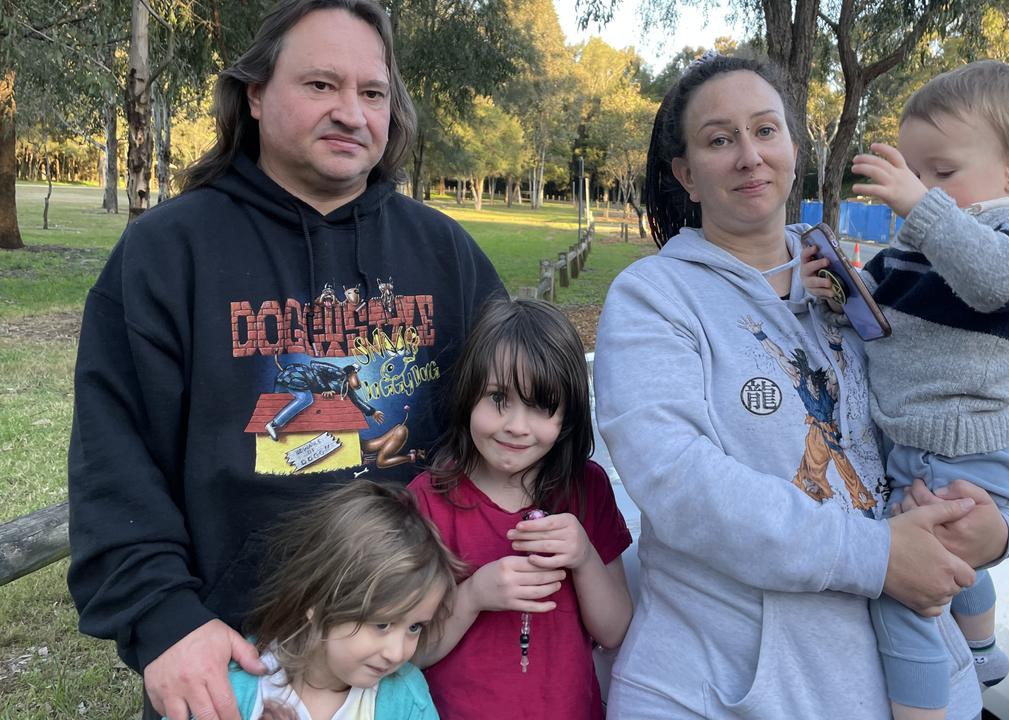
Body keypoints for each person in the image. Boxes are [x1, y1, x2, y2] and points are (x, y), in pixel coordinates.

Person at [66, 2, 504, 719]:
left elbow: (516, 430)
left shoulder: (446, 256)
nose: (350, 112)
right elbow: (112, 463)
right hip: (232, 664)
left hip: (415, 660)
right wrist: (162, 619)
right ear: (257, 94)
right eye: (321, 85)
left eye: (372, 93)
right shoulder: (167, 254)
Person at [592, 52, 1009, 719]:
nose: (748, 155)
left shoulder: (857, 282)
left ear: (794, 147)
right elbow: (680, 483)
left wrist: (1001, 526)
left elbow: (968, 405)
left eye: (766, 130)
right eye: (719, 139)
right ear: (687, 175)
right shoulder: (655, 298)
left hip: (913, 686)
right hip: (727, 692)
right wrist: (877, 555)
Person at [802, 59, 1009, 720]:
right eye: (916, 174)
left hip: (973, 451)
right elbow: (878, 330)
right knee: (952, 565)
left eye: (940, 173)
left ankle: (947, 687)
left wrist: (924, 209)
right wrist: (838, 297)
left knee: (910, 599)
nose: (919, 189)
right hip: (908, 447)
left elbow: (992, 282)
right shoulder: (911, 252)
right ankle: (981, 653)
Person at [407, 298, 633, 720]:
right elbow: (407, 651)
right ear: (468, 393)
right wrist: (473, 596)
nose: (516, 425)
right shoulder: (428, 501)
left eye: (540, 406)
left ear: (567, 416)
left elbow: (616, 628)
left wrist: (583, 556)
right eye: (498, 398)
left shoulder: (586, 490)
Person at [161, 480, 461, 720]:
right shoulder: (236, 686)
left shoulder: (404, 698)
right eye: (382, 624)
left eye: (415, 627)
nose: (397, 653)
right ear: (316, 601)